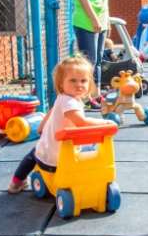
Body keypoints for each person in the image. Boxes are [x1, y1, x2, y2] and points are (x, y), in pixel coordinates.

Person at [8, 55, 111, 193]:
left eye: (83, 81)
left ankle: (16, 182)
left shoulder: (63, 98)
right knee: (91, 148)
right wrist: (104, 122)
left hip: (51, 149)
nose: (79, 85)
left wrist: (41, 127)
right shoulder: (69, 102)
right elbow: (81, 122)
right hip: (59, 157)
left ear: (89, 83)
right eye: (73, 80)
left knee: (33, 153)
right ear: (61, 83)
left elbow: (51, 111)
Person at [72, 0, 109, 109]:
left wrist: (104, 21)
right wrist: (94, 19)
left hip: (101, 23)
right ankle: (85, 98)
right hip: (86, 23)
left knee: (99, 61)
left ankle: (96, 95)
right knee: (90, 62)